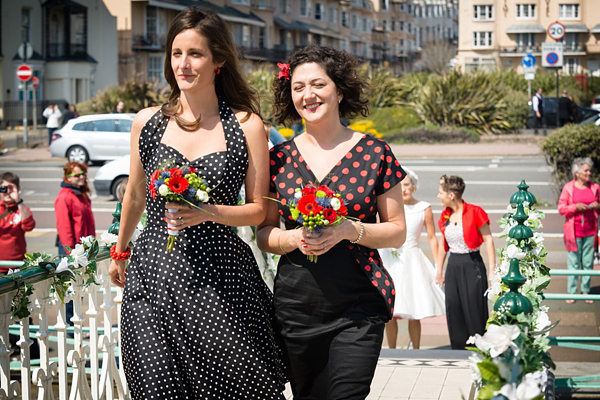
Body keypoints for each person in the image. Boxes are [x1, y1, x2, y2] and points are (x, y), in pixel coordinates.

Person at [107, 7, 286, 399]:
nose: (183, 65)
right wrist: (120, 252)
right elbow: (135, 194)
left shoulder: (246, 125)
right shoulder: (147, 122)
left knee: (238, 387)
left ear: (218, 60)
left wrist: (209, 213)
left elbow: (260, 209)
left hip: (220, 278)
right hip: (153, 276)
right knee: (158, 389)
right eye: (176, 54)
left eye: (195, 54)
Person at [257, 44, 407, 399]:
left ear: (339, 90)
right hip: (296, 308)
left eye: (318, 84)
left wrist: (348, 230)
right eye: (298, 87)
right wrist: (292, 239)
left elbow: (397, 230)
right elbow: (264, 234)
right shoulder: (276, 159)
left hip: (359, 306)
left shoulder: (375, 152)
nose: (308, 94)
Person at [380, 168, 445, 350]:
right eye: (399, 186)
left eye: (407, 185)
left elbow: (432, 238)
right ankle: (391, 349)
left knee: (415, 309)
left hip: (412, 260)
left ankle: (416, 349)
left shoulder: (423, 208)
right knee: (390, 311)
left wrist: (438, 267)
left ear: (414, 186)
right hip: (390, 260)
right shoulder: (390, 207)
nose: (403, 189)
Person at [435, 175, 495, 350]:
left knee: (474, 309)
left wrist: (492, 269)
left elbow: (488, 239)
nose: (438, 196)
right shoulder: (446, 215)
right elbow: (442, 244)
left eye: (440, 193)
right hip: (453, 265)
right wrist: (439, 270)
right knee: (454, 308)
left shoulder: (475, 212)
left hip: (472, 264)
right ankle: (458, 350)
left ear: (451, 195)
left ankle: (480, 350)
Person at [558, 157, 600, 305]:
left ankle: (586, 291)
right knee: (573, 262)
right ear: (577, 173)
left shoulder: (595, 187)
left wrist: (597, 206)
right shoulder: (569, 188)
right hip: (573, 232)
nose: (589, 173)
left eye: (590, 170)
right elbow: (561, 208)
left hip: (590, 231)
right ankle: (571, 292)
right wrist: (575, 207)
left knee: (588, 262)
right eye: (586, 170)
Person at [0, 172, 35, 272]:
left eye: (12, 188)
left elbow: (29, 226)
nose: (8, 192)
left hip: (17, 265)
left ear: (18, 189)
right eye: (5, 188)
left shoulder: (22, 209)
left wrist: (18, 200)